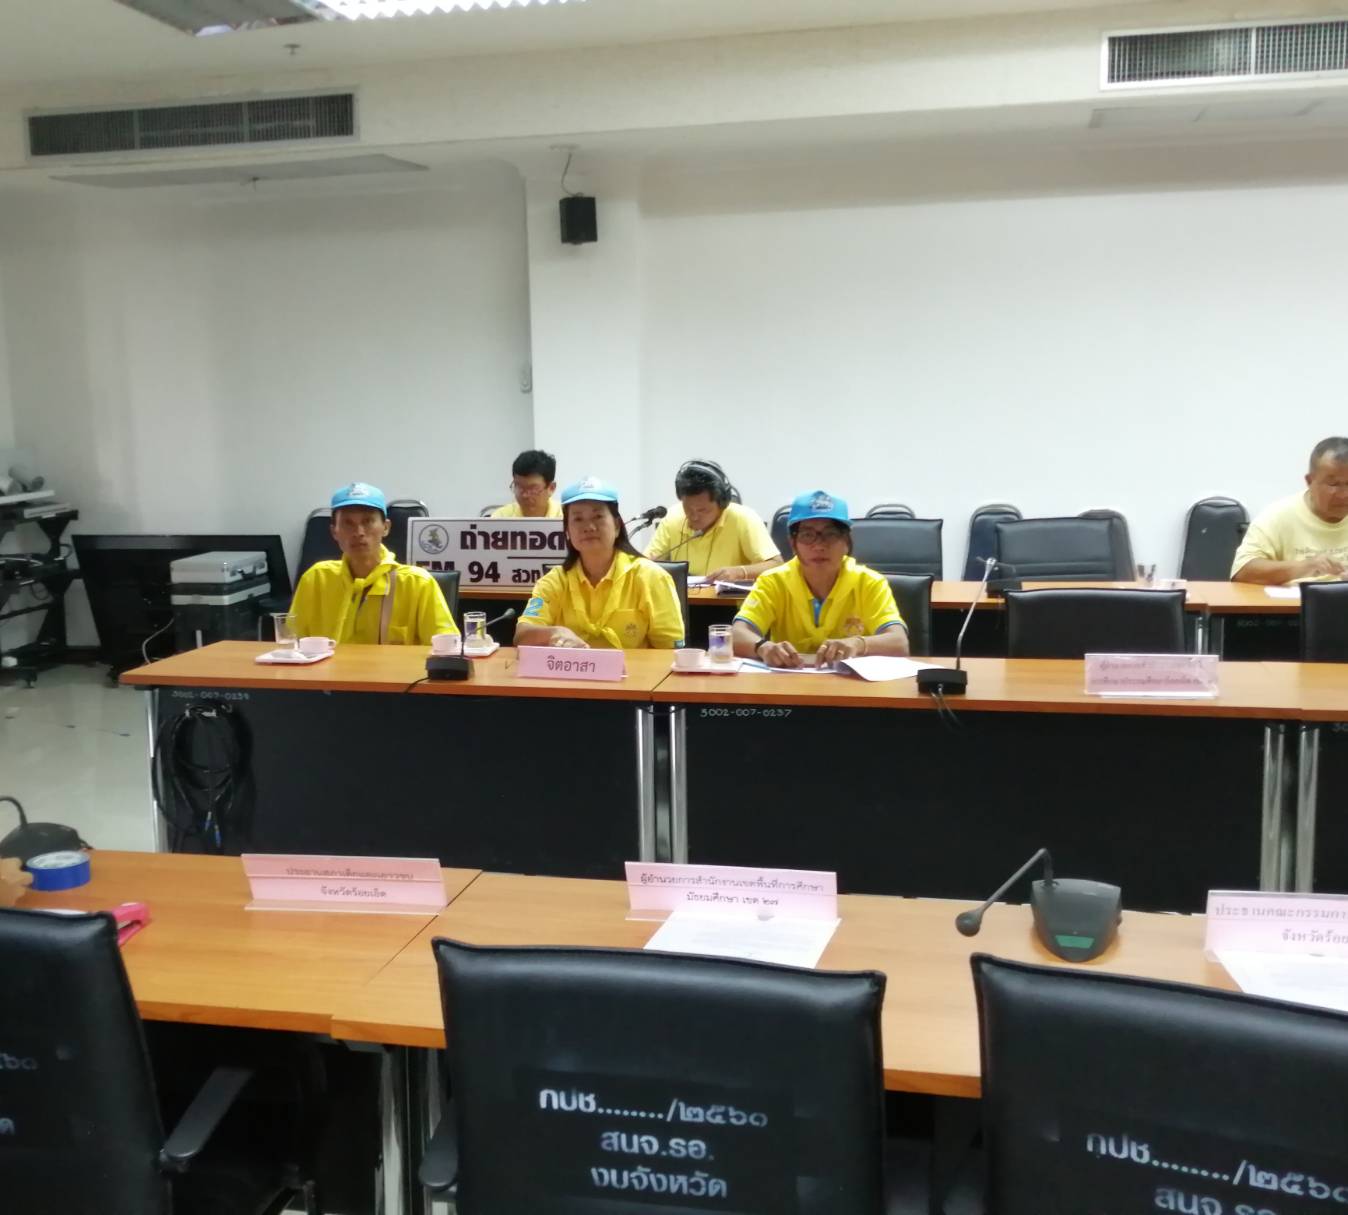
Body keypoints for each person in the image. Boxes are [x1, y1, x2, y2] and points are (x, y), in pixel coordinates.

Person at [732, 489, 908, 668]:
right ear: (793, 543)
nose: (819, 546)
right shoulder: (773, 581)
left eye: (830, 534)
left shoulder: (869, 582)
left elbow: (899, 642)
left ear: (846, 542)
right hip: (790, 680)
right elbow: (737, 634)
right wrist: (763, 647)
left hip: (852, 682)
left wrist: (858, 644)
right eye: (807, 535)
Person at [515, 477, 685, 649]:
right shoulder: (555, 581)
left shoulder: (651, 577)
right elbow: (522, 636)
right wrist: (554, 633)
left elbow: (672, 649)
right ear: (567, 531)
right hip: (573, 667)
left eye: (598, 516)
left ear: (617, 525)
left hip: (632, 667)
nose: (589, 527)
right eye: (578, 519)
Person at [290, 482, 458, 645]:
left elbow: (448, 649)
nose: (359, 532)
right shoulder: (316, 579)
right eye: (348, 523)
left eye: (368, 521)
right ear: (334, 531)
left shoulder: (418, 583)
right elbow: (291, 645)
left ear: (386, 527)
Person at [1232, 437, 1348, 584]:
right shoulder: (1278, 516)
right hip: (1297, 598)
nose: (1344, 494)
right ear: (1309, 481)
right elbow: (1242, 571)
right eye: (1333, 484)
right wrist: (1306, 566)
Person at [645, 459, 782, 582]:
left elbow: (776, 564)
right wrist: (647, 565)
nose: (694, 516)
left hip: (728, 601)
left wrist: (741, 572)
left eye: (702, 510)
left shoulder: (743, 518)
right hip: (681, 600)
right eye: (688, 509)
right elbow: (649, 560)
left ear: (722, 503)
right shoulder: (673, 516)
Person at [491, 450, 561, 519]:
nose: (525, 495)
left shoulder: (564, 516)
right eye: (519, 487)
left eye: (533, 489)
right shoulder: (501, 517)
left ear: (551, 488)